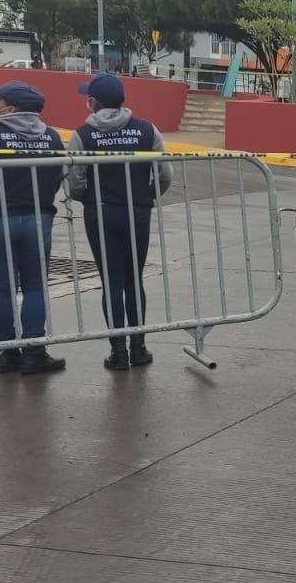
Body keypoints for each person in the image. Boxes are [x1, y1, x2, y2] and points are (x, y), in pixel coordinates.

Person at [68, 73, 172, 370]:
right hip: (137, 210)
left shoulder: (82, 135)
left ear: (93, 103)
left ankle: (118, 352)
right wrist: (146, 194)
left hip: (100, 211)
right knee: (133, 278)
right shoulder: (147, 130)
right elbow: (164, 174)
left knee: (111, 281)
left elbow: (74, 181)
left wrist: (87, 198)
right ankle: (139, 348)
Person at [0, 81, 67, 375]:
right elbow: (59, 175)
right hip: (38, 217)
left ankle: (6, 353)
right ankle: (35, 353)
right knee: (35, 286)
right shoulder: (52, 137)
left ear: (11, 109)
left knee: (2, 287)